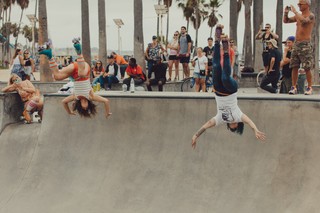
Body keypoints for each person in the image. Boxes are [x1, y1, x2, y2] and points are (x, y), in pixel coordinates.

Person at [191, 25, 266, 149]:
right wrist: (255, 130)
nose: (232, 122)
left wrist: (196, 135)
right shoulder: (238, 115)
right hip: (231, 90)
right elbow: (248, 121)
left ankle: (217, 41)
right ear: (238, 123)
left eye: (231, 125)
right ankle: (226, 49)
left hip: (219, 91)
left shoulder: (221, 119)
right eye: (235, 124)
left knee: (215, 67)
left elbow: (208, 124)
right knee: (226, 77)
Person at [38, 38, 111, 118]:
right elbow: (106, 101)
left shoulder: (75, 97)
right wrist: (107, 113)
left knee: (57, 76)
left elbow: (64, 102)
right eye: (87, 106)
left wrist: (69, 112)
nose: (85, 105)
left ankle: (49, 55)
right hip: (84, 70)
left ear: (80, 105)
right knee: (81, 73)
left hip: (75, 74)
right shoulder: (91, 96)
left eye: (84, 107)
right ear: (89, 104)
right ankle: (78, 50)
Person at [283, 0, 315, 95]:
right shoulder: (298, 16)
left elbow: (304, 21)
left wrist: (295, 12)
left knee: (307, 67)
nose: (299, 6)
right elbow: (286, 21)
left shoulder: (311, 15)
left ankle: (309, 87)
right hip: (296, 44)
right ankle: (294, 87)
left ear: (307, 5)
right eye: (298, 4)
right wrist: (286, 13)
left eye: (300, 4)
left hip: (305, 44)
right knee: (294, 66)